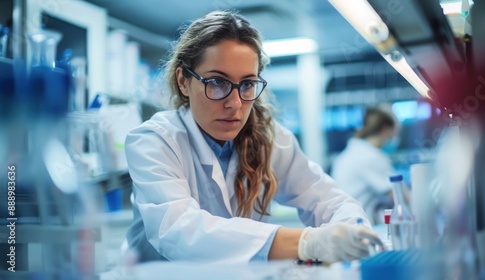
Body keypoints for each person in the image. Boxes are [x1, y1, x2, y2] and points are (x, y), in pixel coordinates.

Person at [124, 10, 382, 264]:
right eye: (217, 82)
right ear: (183, 81)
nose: (235, 103)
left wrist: (351, 232)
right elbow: (180, 231)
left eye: (247, 84)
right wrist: (307, 242)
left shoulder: (270, 139)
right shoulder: (154, 141)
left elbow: (330, 200)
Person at [331, 107, 403, 225]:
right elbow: (399, 197)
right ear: (386, 130)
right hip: (361, 227)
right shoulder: (373, 157)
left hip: (345, 225)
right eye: (395, 132)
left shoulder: (347, 155)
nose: (394, 138)